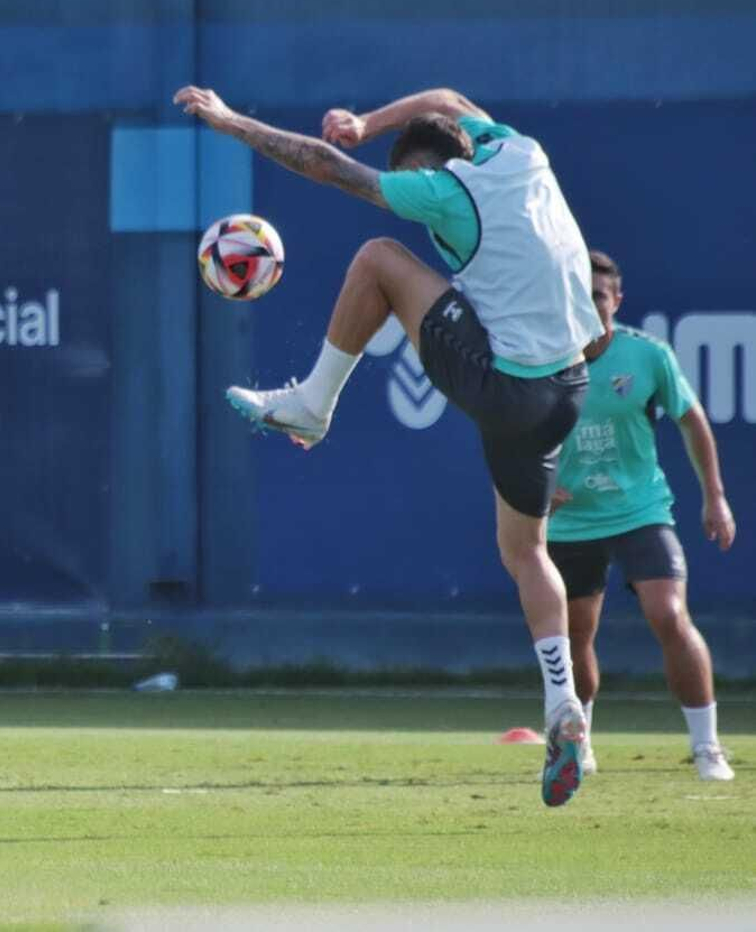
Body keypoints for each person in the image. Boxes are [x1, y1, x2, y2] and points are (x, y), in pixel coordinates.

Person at [174, 85, 603, 806]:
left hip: (508, 386)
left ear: (425, 171)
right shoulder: (521, 149)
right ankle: (567, 710)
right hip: (569, 387)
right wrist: (368, 123)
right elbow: (446, 96)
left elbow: (322, 166)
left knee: (376, 256)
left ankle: (312, 405)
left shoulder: (441, 191)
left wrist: (229, 122)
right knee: (527, 551)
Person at [548, 250, 737, 781]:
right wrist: (539, 481)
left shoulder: (646, 356)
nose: (589, 307)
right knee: (576, 633)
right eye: (579, 297)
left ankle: (707, 748)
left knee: (669, 615)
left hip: (640, 511)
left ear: (617, 301)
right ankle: (579, 743)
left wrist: (714, 496)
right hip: (572, 521)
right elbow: (511, 429)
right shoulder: (543, 358)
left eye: (599, 298)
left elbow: (692, 419)